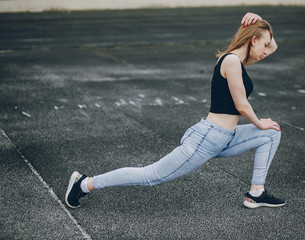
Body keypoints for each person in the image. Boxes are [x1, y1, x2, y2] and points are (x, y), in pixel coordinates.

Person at [65, 12, 286, 209]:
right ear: (253, 40)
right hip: (207, 139)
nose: (267, 51)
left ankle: (256, 193)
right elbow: (241, 105)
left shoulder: (239, 61)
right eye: (264, 45)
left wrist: (259, 21)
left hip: (225, 138)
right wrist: (258, 122)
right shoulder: (231, 61)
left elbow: (275, 47)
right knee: (150, 175)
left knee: (271, 133)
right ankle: (84, 184)